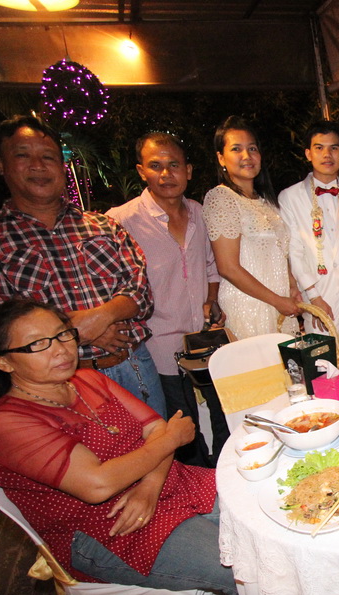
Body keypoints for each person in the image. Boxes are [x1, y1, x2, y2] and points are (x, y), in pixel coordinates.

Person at [0, 298, 236, 595]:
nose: (60, 349)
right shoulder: (7, 424)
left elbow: (157, 429)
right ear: (2, 361)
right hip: (112, 527)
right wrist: (171, 440)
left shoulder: (87, 379)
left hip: (166, 486)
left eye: (63, 334)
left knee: (267, 514)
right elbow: (98, 484)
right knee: (242, 565)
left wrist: (150, 486)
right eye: (38, 344)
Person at [0, 115, 164, 414]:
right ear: (1, 164)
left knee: (160, 441)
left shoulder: (103, 225)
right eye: (23, 156)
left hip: (133, 366)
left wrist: (98, 318)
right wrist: (76, 331)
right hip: (54, 384)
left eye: (48, 157)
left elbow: (141, 294)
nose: (38, 166)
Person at [107, 132, 229, 467]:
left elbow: (211, 265)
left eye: (174, 165)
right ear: (141, 171)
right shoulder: (121, 221)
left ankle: (224, 471)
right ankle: (198, 484)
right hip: (157, 345)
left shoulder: (199, 213)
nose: (166, 174)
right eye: (155, 166)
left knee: (224, 411)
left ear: (188, 170)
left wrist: (212, 299)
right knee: (182, 426)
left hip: (204, 340)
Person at [279, 121, 339, 361]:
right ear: (308, 153)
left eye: (334, 148)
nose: (327, 154)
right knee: (324, 365)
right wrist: (313, 297)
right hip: (319, 296)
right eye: (319, 148)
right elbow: (295, 251)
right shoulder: (290, 197)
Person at [204, 117, 301, 339]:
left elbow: (279, 253)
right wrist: (277, 301)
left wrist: (292, 286)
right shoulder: (221, 198)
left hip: (279, 303)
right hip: (248, 307)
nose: (246, 156)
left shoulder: (266, 202)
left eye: (252, 148)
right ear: (221, 158)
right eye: (236, 149)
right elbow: (228, 267)